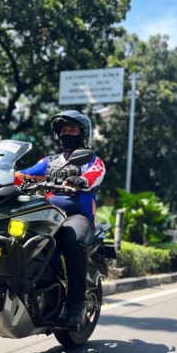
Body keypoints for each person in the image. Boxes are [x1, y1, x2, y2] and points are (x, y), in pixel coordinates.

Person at [15, 110, 105, 328]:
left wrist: (81, 180)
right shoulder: (49, 161)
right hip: (47, 214)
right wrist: (3, 176)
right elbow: (25, 174)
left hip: (77, 216)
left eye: (72, 129)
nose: (67, 133)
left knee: (72, 239)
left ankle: (76, 305)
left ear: (82, 133)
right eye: (63, 130)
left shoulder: (91, 160)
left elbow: (95, 174)